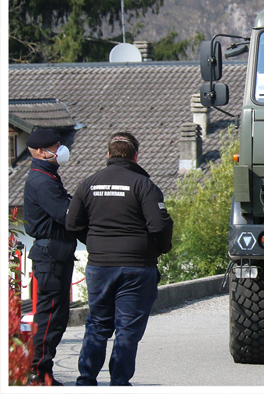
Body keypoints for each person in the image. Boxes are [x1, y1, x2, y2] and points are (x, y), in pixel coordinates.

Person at [65, 131, 173, 386]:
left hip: (100, 266)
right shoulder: (143, 185)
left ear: (108, 154)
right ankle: (119, 382)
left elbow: (71, 224)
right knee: (127, 329)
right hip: (137, 267)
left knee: (98, 323)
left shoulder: (87, 183)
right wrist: (159, 249)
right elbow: (159, 225)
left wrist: (95, 242)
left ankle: (86, 379)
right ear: (136, 156)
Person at [23, 128, 76, 386]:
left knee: (57, 316)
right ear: (43, 152)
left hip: (55, 254)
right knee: (50, 317)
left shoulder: (47, 176)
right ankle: (37, 373)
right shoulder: (42, 181)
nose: (61, 150)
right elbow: (66, 214)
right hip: (50, 256)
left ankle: (43, 371)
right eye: (56, 146)